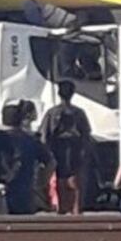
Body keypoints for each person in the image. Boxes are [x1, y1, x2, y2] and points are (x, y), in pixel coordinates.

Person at [39, 81, 92, 215]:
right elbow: (87, 134)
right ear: (73, 94)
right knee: (75, 181)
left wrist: (46, 154)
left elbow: (44, 134)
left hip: (58, 150)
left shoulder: (52, 113)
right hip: (75, 149)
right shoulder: (79, 113)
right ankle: (76, 211)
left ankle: (62, 210)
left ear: (59, 94)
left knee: (60, 180)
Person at [2, 102, 53, 215]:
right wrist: (41, 182)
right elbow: (50, 162)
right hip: (25, 193)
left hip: (1, 192)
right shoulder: (31, 140)